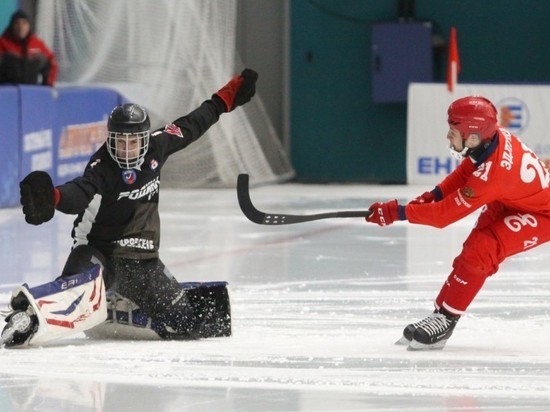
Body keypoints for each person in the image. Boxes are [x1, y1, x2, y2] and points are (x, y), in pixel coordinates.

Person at [1, 68, 258, 347]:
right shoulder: (102, 167)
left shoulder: (158, 147)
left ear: (145, 139)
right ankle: (30, 316)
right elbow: (80, 191)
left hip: (141, 261)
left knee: (188, 323)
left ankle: (112, 307)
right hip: (98, 252)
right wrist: (54, 197)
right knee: (77, 290)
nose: (126, 149)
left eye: (133, 142)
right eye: (120, 142)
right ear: (110, 139)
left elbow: (193, 123)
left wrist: (226, 98)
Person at [365, 96, 550, 350]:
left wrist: (397, 212)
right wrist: (432, 196)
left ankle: (447, 320)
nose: (448, 138)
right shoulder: (493, 138)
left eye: (453, 133)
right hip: (512, 200)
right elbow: (465, 173)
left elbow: (444, 216)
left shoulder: (492, 175)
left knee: (482, 249)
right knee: (472, 250)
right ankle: (441, 313)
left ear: (473, 137)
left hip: (543, 215)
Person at [0, 9, 58, 86]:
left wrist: (48, 85)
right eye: (17, 23)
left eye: (24, 23)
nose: (21, 27)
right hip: (7, 92)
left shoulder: (37, 44)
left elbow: (51, 62)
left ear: (29, 26)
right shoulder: (3, 43)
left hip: (30, 92)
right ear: (11, 26)